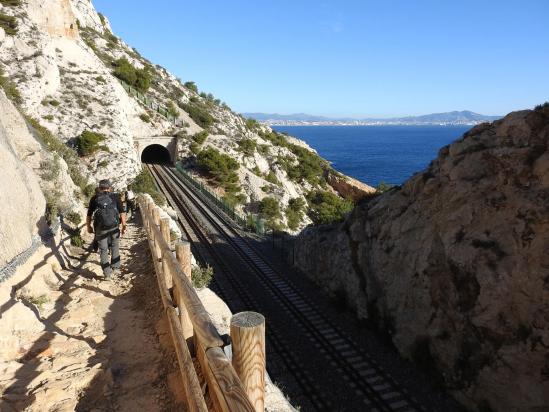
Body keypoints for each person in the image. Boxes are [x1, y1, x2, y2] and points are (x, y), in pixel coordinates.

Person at [86, 179, 126, 279]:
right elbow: (122, 212)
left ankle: (107, 273)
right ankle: (116, 267)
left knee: (103, 250)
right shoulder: (115, 196)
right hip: (114, 226)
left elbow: (89, 215)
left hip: (100, 228)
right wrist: (124, 226)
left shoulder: (94, 198)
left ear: (99, 188)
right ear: (110, 188)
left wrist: (88, 226)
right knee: (115, 245)